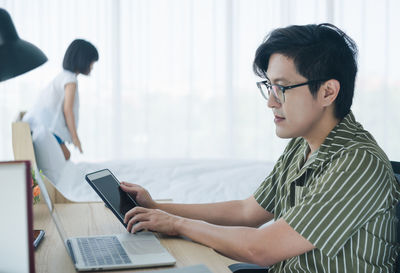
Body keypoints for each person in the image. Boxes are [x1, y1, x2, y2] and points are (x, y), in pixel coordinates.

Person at [120, 23, 400, 272]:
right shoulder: (301, 144)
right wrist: (157, 208)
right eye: (269, 86)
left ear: (328, 92)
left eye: (282, 88)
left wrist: (176, 224)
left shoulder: (359, 162)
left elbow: (262, 249)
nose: (270, 101)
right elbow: (247, 212)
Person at [23, 39, 99, 160]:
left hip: (43, 125)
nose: (92, 67)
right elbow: (68, 110)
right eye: (92, 62)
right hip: (49, 128)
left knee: (66, 156)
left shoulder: (63, 76)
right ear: (83, 60)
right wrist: (75, 137)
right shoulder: (71, 81)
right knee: (66, 155)